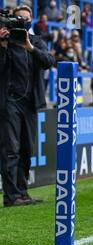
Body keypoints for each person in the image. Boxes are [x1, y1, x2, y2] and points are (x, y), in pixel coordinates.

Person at [0, 5, 55, 207]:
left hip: (30, 103)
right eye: (19, 18)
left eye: (26, 18)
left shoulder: (37, 41)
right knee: (11, 149)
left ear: (31, 20)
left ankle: (22, 193)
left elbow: (49, 61)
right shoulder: (6, 42)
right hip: (9, 103)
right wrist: (3, 45)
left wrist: (30, 47)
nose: (23, 21)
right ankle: (10, 196)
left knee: (26, 149)